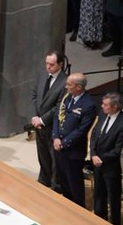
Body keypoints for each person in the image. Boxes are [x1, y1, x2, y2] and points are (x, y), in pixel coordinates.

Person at [51, 73, 97, 207]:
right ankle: (67, 206)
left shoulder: (88, 105)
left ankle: (77, 209)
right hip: (59, 146)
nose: (66, 87)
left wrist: (64, 143)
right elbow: (57, 117)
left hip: (73, 151)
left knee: (74, 182)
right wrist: (55, 137)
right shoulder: (67, 97)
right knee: (63, 180)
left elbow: (82, 130)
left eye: (69, 85)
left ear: (79, 87)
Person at [91, 93, 123, 224]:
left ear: (114, 107)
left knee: (113, 198)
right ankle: (99, 219)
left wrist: (100, 158)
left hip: (111, 167)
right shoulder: (103, 114)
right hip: (97, 162)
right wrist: (93, 154)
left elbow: (118, 149)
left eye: (105, 104)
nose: (101, 106)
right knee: (98, 194)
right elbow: (94, 135)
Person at [31, 50, 68, 190]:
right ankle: (43, 181)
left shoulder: (65, 82)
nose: (48, 67)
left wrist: (42, 119)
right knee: (43, 156)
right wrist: (35, 116)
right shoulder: (42, 75)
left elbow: (59, 107)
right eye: (47, 63)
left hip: (53, 126)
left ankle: (55, 186)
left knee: (54, 160)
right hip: (39, 125)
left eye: (51, 64)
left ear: (60, 64)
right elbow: (35, 96)